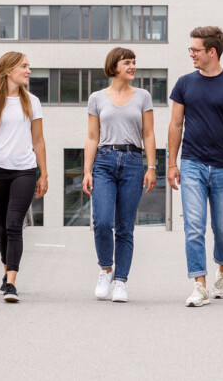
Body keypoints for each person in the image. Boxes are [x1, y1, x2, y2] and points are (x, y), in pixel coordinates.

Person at [167, 26, 223, 307]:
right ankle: (199, 285)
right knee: (193, 226)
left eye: (195, 50)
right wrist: (171, 163)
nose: (191, 53)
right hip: (192, 164)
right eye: (190, 49)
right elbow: (176, 124)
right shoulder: (184, 83)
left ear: (211, 52)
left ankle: (222, 271)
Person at [0, 52, 49, 303]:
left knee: (15, 225)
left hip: (24, 171)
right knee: (4, 227)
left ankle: (12, 282)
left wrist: (43, 173)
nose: (28, 71)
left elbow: (38, 140)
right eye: (24, 66)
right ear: (8, 71)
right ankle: (6, 274)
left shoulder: (32, 102)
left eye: (28, 66)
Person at [82, 47, 157, 303]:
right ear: (114, 66)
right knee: (102, 221)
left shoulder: (143, 96)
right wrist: (86, 171)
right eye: (127, 62)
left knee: (125, 227)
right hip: (104, 161)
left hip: (134, 162)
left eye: (134, 62)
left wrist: (151, 166)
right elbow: (92, 136)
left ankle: (121, 281)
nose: (132, 66)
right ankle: (105, 270)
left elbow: (148, 134)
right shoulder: (97, 98)